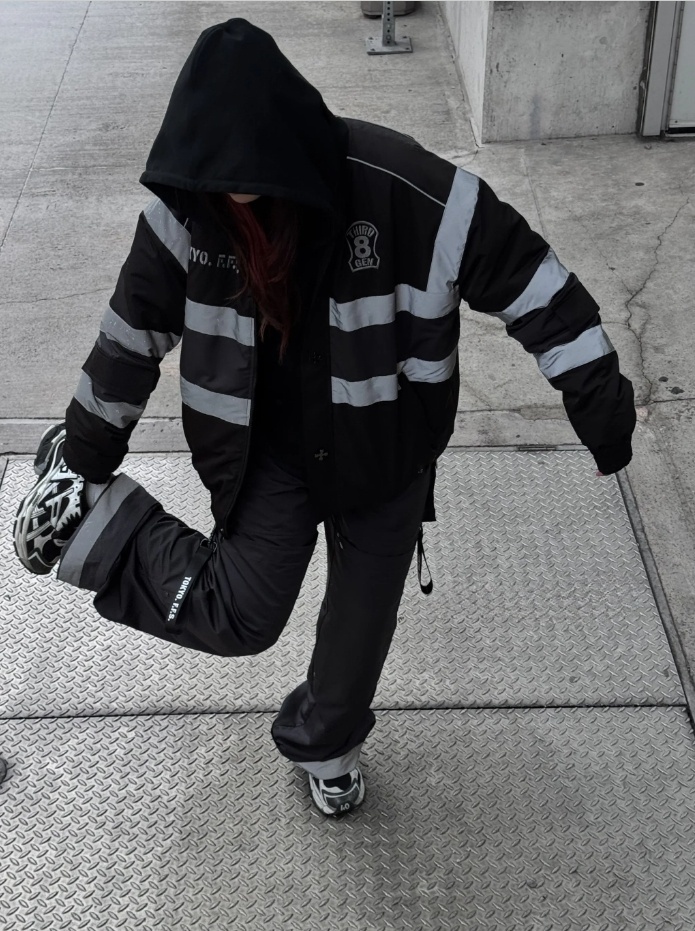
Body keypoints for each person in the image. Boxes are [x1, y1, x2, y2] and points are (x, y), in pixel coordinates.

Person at [12, 18, 636, 816]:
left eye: (251, 178)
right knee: (240, 615)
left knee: (358, 631)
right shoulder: (190, 203)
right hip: (266, 451)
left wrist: (600, 407)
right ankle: (100, 522)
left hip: (386, 449)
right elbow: (132, 331)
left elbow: (534, 284)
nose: (235, 195)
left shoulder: (410, 191)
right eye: (220, 180)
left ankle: (323, 745)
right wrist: (86, 454)